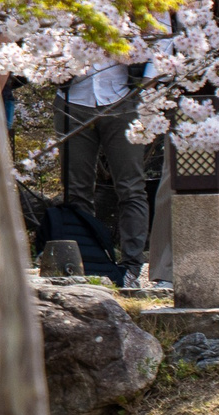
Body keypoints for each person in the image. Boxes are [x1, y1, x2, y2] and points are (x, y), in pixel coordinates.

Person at [61, 47, 157, 287]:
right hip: (72, 99)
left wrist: (146, 86)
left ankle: (131, 269)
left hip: (124, 97)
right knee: (76, 189)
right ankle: (85, 264)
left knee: (131, 187)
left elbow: (162, 37)